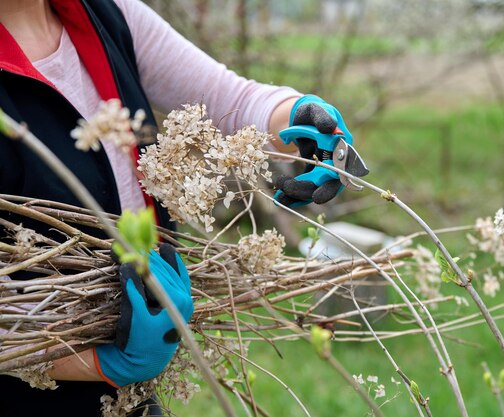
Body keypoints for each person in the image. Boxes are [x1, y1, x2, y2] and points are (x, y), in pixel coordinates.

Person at [0, 0, 356, 416]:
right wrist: (102, 363)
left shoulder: (105, 14)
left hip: (129, 396)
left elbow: (229, 99)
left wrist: (300, 120)